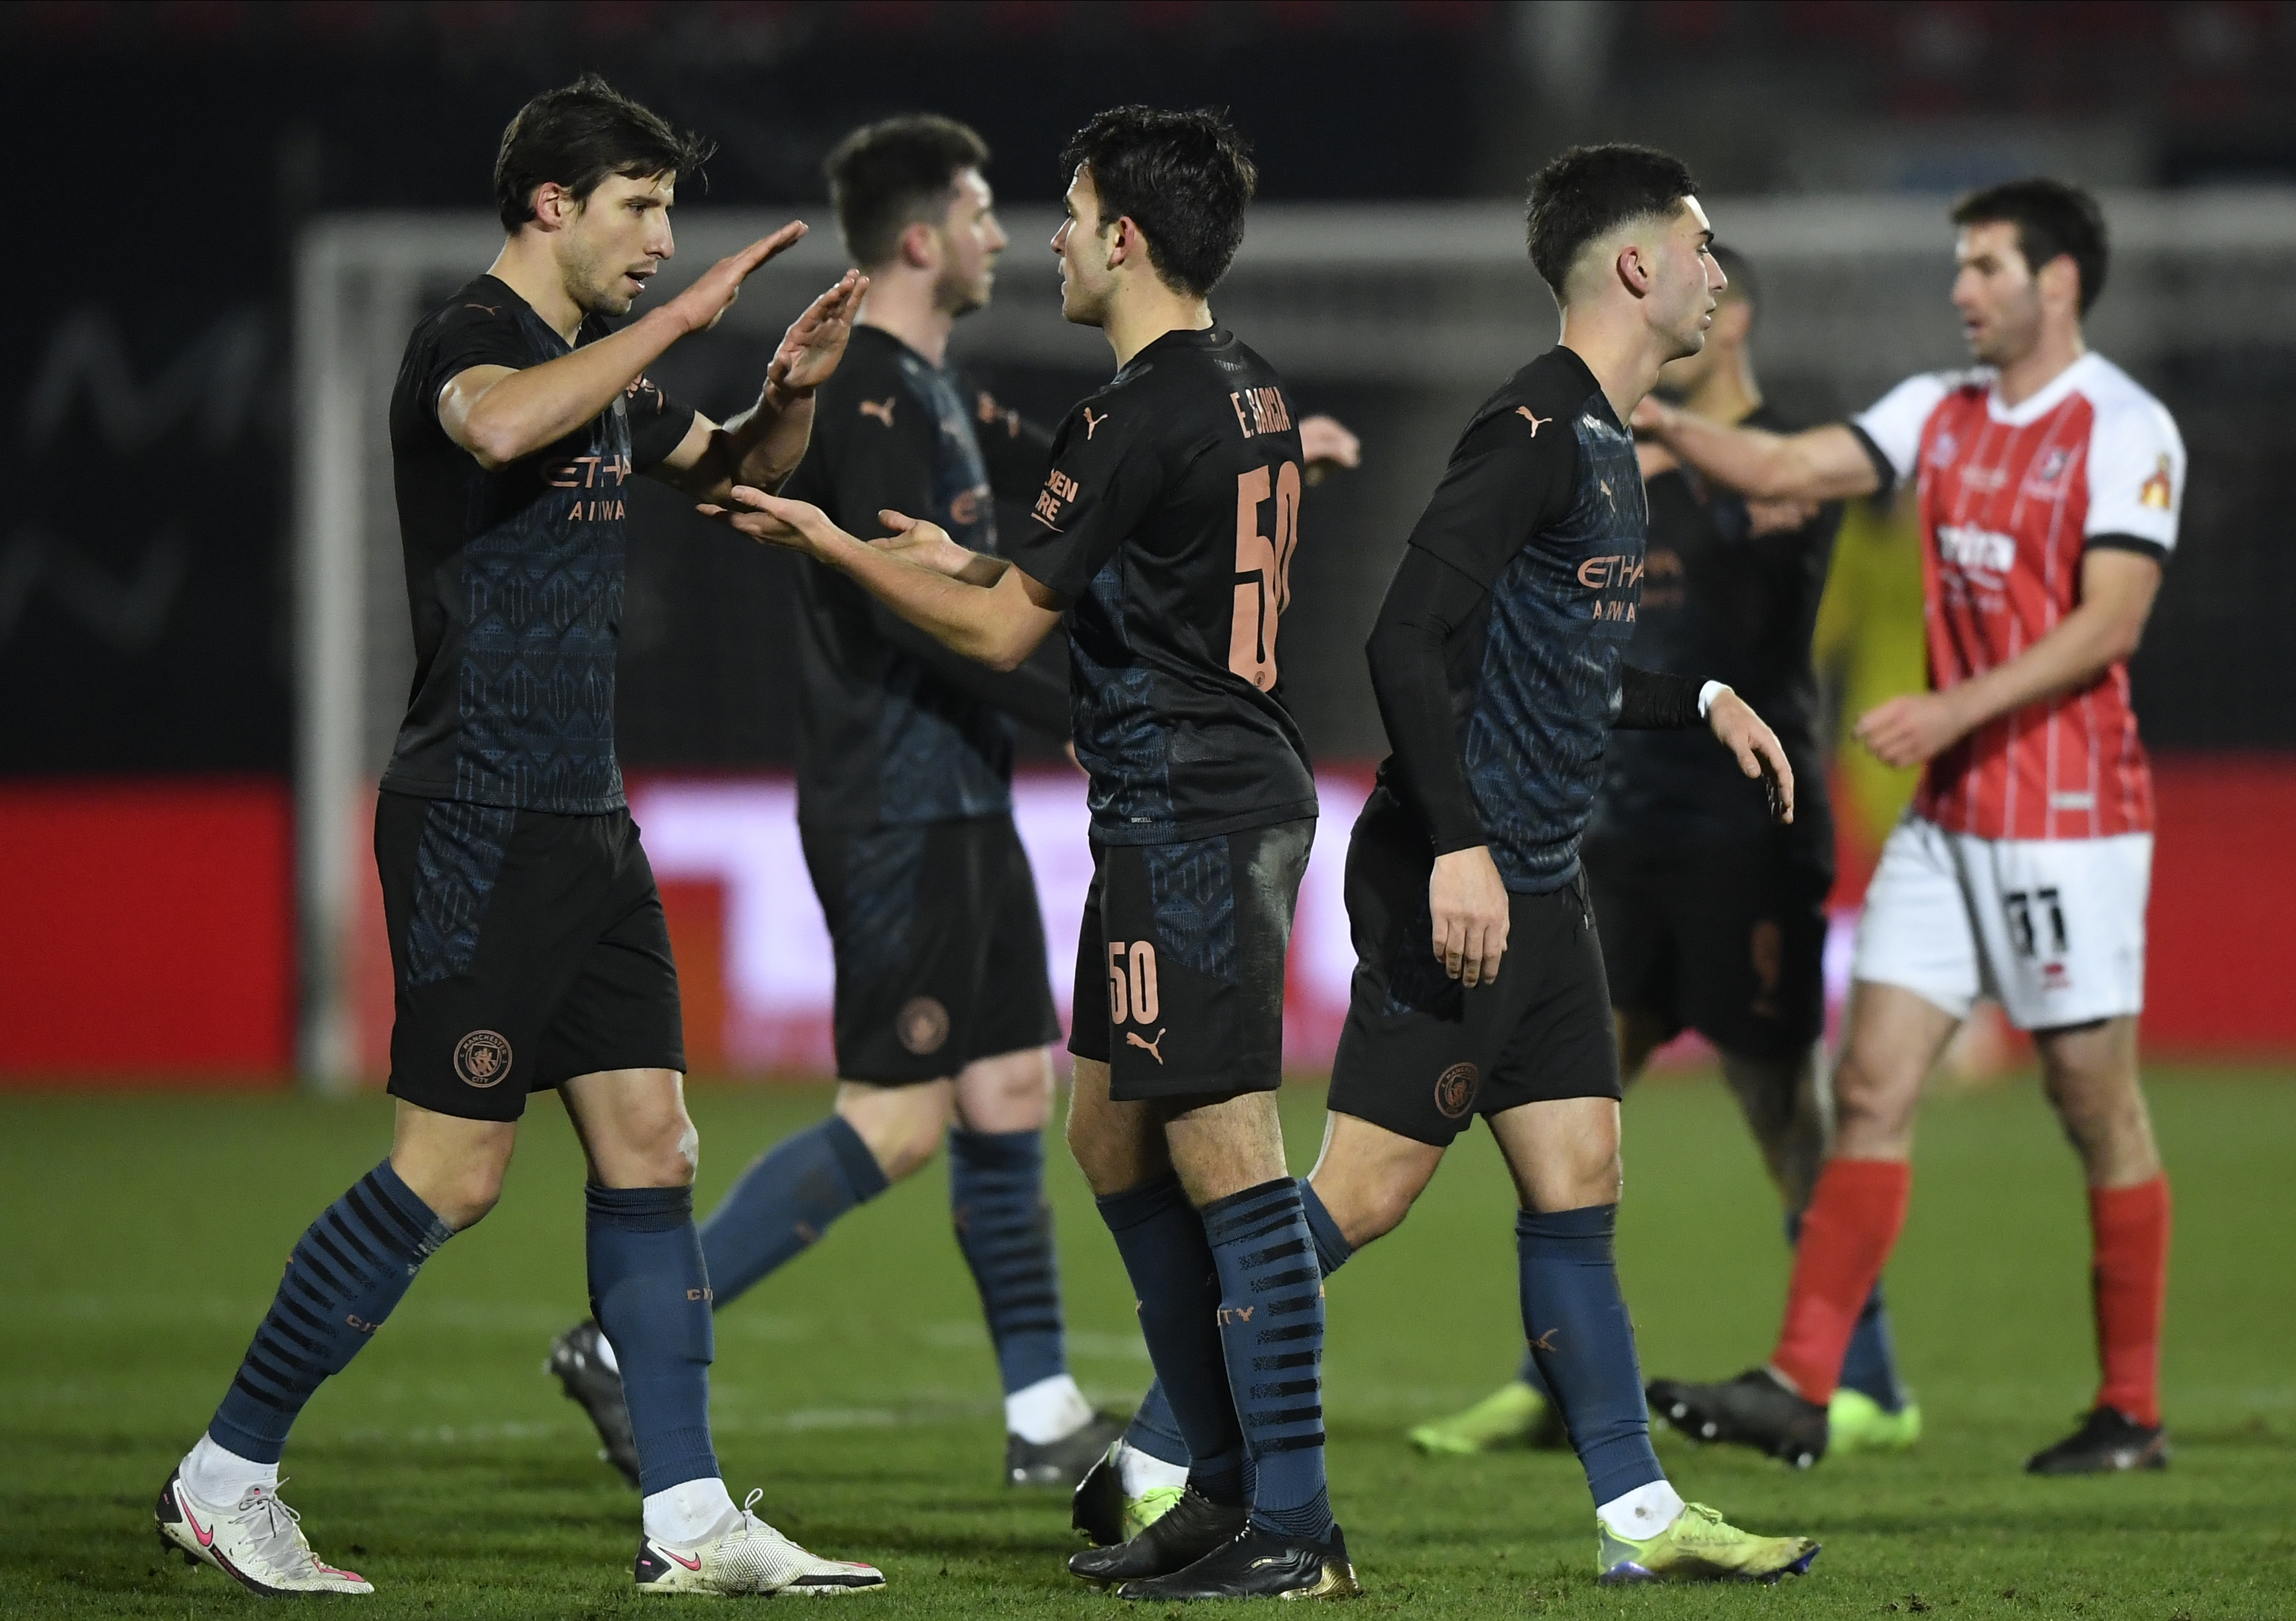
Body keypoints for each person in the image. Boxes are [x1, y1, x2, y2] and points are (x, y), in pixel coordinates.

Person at [153, 76, 885, 1597]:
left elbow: (740, 475)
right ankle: (224, 1476)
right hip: (476, 816)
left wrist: (792, 392)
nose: (662, 238)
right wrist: (677, 322)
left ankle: (689, 1517)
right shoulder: (469, 340)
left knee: (654, 1142)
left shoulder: (597, 369)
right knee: (451, 1172)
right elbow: (494, 428)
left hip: (586, 818)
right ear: (552, 204)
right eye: (640, 207)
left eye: (669, 213)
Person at [1080, 143, 1825, 1588]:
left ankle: (1640, 1517)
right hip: (1460, 877)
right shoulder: (1533, 427)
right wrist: (1465, 849)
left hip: (1539, 879)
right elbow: (1402, 638)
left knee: (1580, 1173)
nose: (1718, 273)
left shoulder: (1609, 437)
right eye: (1700, 244)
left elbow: (1545, 672)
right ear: (1635, 265)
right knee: (1359, 1194)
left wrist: (1701, 697)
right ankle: (1169, 1447)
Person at [708, 105, 1364, 1602]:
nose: (1050, 238)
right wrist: (960, 558)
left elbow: (1009, 634)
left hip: (1194, 809)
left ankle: (1295, 1520)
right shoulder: (1239, 382)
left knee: (1228, 1151)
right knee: (1108, 1134)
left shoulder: (1136, 408)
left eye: (1068, 213)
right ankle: (1216, 1486)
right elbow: (1112, 583)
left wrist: (836, 545)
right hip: (1170, 801)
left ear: (1124, 239)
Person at [1631, 177, 2184, 1475]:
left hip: (2068, 820)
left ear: (2059, 282)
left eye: (1986, 266)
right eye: (1962, 264)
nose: (1961, 289)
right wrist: (1657, 417)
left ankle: (2131, 1408)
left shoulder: (2125, 425)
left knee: (2091, 1099)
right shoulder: (1939, 408)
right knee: (1872, 1084)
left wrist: (1951, 708)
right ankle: (1803, 1384)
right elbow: (1785, 464)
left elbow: (2111, 621)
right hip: (1947, 820)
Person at [1405, 243, 1920, 1464]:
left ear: (1731, 315)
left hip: (1749, 833)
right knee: (1558, 1106)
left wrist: (1675, 448)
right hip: (1618, 831)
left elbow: (1776, 531)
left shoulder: (1790, 461)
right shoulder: (1603, 460)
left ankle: (1868, 1377)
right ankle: (1553, 1379)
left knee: (1781, 1106)